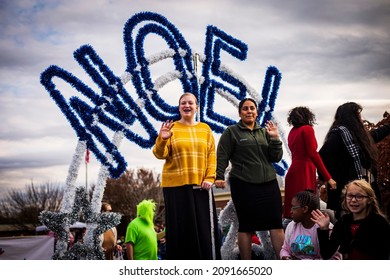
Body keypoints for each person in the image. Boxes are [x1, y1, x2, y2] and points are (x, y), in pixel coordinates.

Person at [152, 92, 221, 260]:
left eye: (190, 103)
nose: (187, 105)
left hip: (201, 186)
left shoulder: (205, 129)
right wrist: (162, 139)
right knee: (180, 231)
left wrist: (210, 178)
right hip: (175, 187)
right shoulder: (171, 128)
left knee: (204, 230)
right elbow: (159, 154)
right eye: (183, 103)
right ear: (179, 107)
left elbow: (212, 156)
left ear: (197, 107)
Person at [215, 97, 285, 259]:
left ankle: (283, 262)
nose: (249, 111)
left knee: (276, 224)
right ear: (240, 113)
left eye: (252, 108)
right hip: (243, 184)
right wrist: (219, 176)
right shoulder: (231, 132)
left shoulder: (264, 132)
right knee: (246, 226)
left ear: (257, 112)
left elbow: (276, 157)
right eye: (245, 109)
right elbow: (222, 156)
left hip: (269, 184)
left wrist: (275, 138)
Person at [319, 102, 390, 219]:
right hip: (347, 194)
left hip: (366, 192)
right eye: (358, 115)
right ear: (352, 117)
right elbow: (323, 155)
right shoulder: (339, 136)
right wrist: (325, 177)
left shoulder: (360, 137)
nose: (361, 118)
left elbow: (376, 134)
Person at [311, 179, 390, 259]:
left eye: (359, 196)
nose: (353, 200)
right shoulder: (343, 222)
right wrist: (324, 228)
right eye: (349, 196)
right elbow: (326, 254)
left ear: (369, 200)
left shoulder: (379, 223)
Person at [283, 107, 336, 220]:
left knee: (295, 211)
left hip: (293, 171)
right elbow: (313, 154)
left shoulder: (292, 132)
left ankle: (293, 236)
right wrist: (328, 178)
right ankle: (310, 237)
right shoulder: (307, 129)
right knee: (308, 211)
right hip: (304, 172)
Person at [280, 191, 341, 260]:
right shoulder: (292, 226)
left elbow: (334, 258)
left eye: (293, 207)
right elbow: (285, 249)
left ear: (305, 209)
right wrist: (285, 257)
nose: (290, 211)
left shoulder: (325, 227)